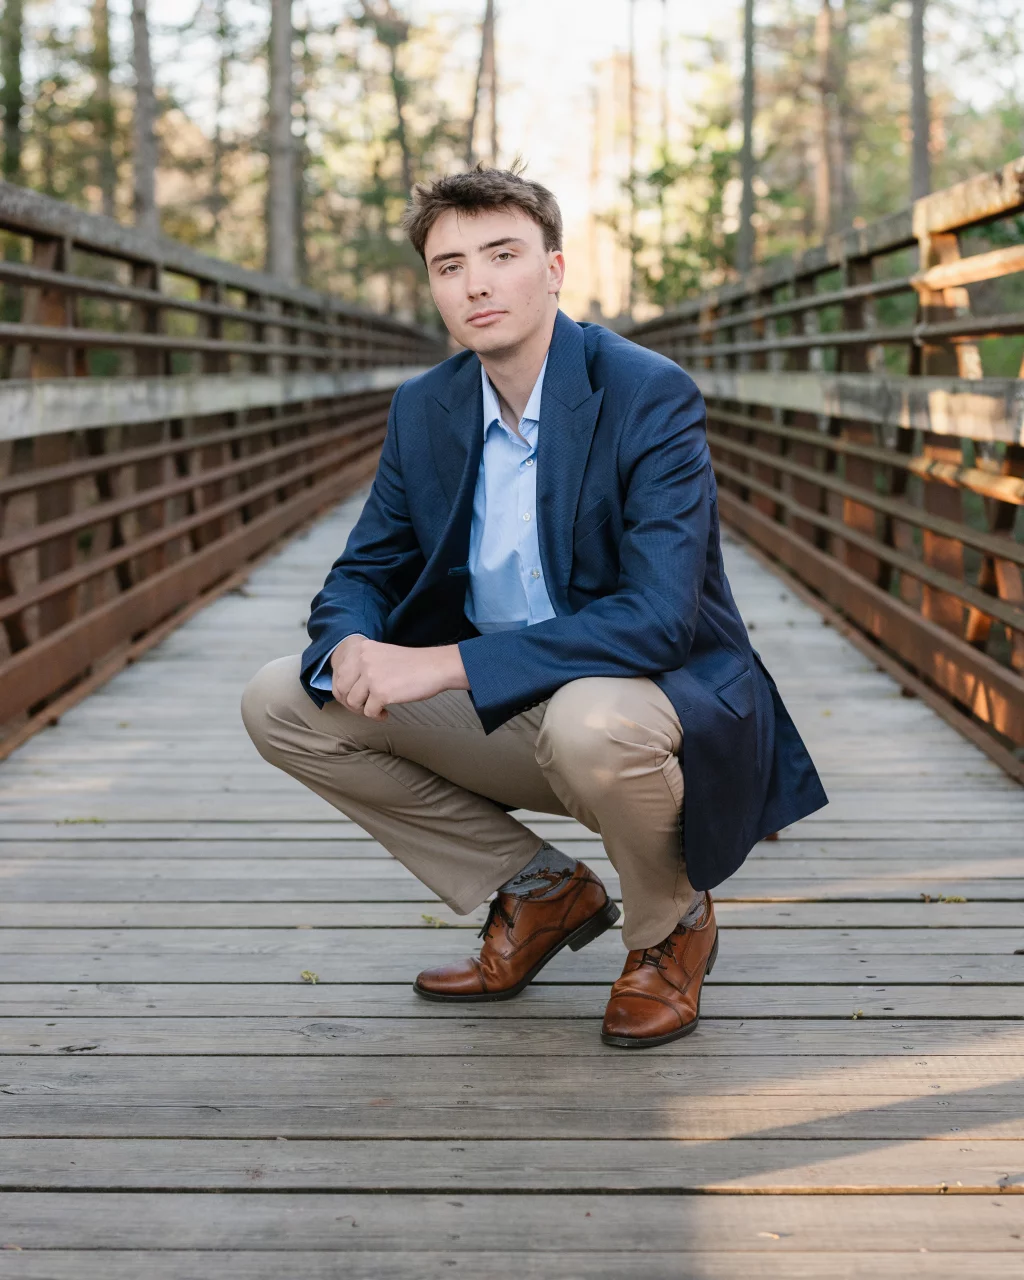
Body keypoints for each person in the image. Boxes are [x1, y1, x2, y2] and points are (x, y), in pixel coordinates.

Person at [242, 165, 826, 1049]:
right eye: (449, 266)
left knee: (590, 724)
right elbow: (363, 566)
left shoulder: (646, 393)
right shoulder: (425, 407)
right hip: (510, 703)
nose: (475, 282)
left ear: (554, 268)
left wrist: (442, 664)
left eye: (501, 254)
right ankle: (537, 891)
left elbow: (661, 618)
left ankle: (669, 927)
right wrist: (353, 641)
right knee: (282, 699)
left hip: (642, 697)